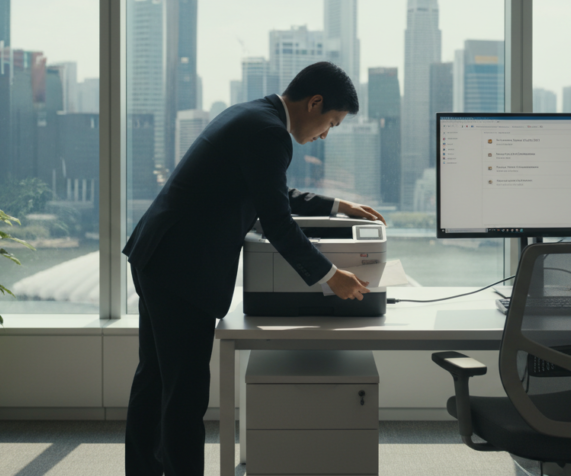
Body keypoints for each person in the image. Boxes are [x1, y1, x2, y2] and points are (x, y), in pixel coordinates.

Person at [123, 61, 385, 475]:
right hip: (183, 270)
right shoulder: (269, 133)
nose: (325, 134)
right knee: (183, 396)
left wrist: (338, 206)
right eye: (331, 122)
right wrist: (332, 277)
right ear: (314, 103)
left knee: (155, 382)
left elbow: (271, 191)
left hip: (160, 255)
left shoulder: (252, 114)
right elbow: (278, 223)